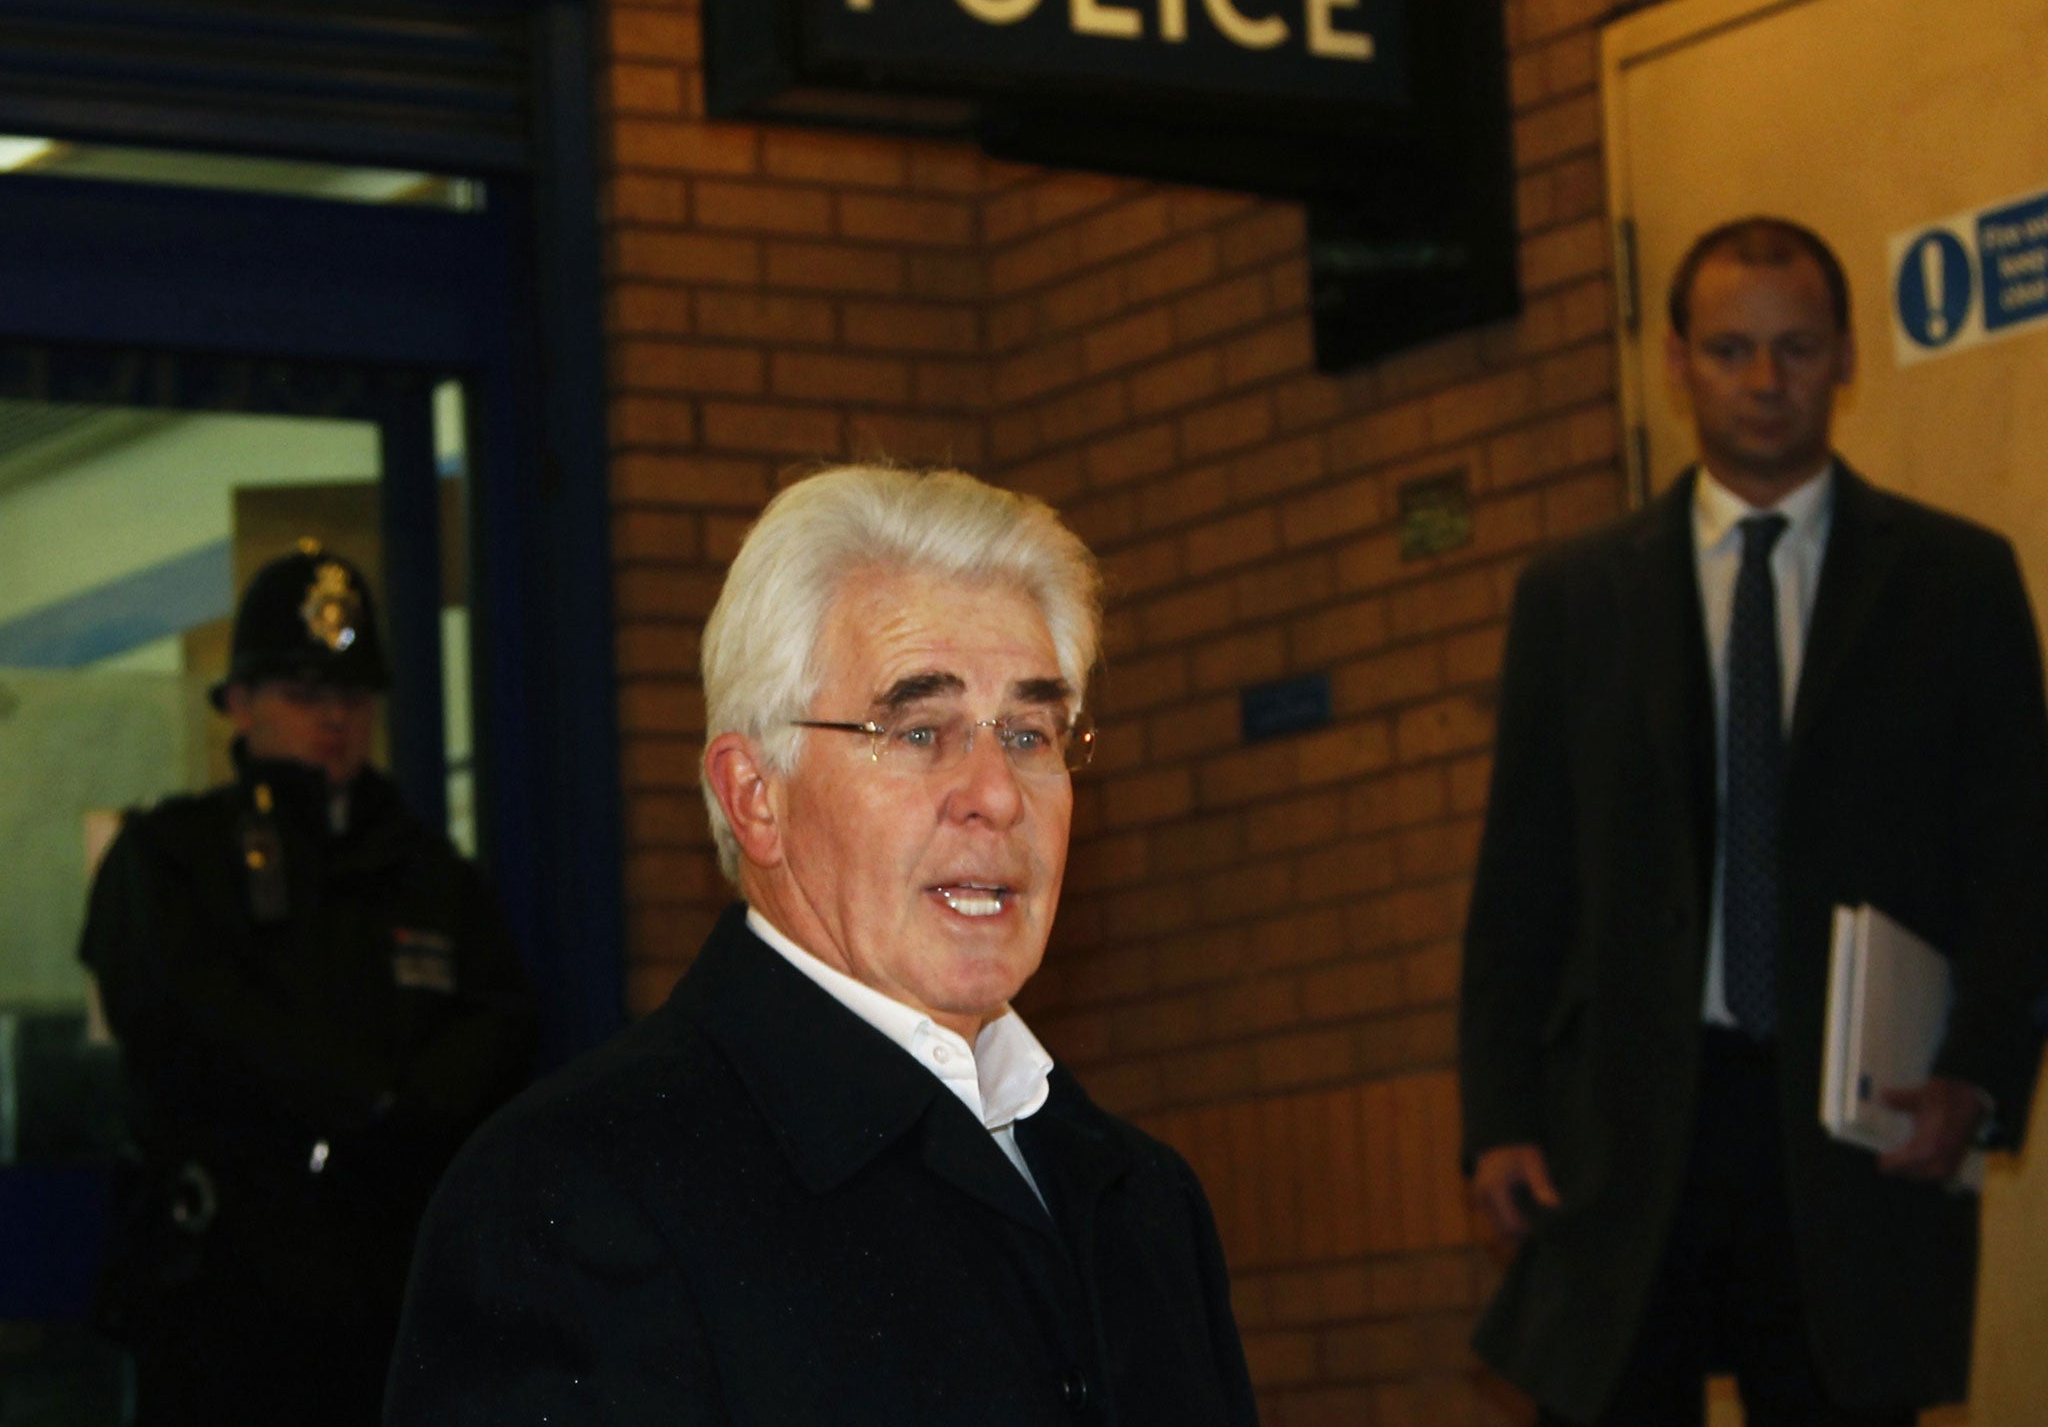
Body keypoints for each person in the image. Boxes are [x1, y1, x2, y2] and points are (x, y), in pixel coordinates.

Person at [387, 464, 1259, 1425]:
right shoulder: (575, 1198)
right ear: (755, 795)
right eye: (922, 731)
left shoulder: (1141, 1203)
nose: (998, 794)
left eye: (1029, 734)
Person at [1458, 217, 2048, 1426]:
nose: (1764, 381)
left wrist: (1976, 1075)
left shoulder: (1955, 580)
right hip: (1623, 1122)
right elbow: (1521, 875)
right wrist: (1498, 1114)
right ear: (1674, 362)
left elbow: (2017, 859)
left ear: (1843, 358)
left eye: (1793, 348)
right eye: (1730, 349)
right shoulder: (1572, 598)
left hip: (1853, 1122)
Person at [80, 543, 534, 1427]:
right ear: (238, 705)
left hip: (391, 1298)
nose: (333, 720)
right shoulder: (171, 859)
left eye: (351, 698)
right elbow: (187, 1019)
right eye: (303, 694)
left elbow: (500, 1024)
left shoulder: (425, 870)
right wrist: (356, 1096)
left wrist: (401, 1109)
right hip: (222, 1301)